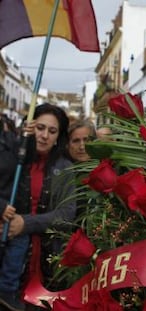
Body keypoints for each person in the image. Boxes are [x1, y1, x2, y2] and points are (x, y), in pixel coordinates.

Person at [0, 103, 76, 310]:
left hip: (49, 262)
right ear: (29, 127)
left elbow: (67, 214)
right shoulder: (13, 160)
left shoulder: (65, 168)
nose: (44, 136)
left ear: (58, 137)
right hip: (8, 259)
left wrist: (25, 223)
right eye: (40, 128)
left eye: (52, 131)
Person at [0, 117, 35, 311]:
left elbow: (25, 159)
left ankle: (6, 289)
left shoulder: (8, 139)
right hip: (3, 209)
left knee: (18, 244)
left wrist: (27, 137)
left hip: (12, 212)